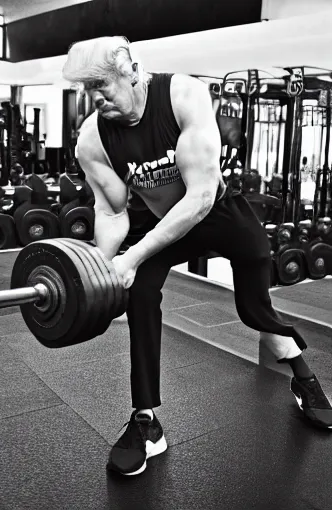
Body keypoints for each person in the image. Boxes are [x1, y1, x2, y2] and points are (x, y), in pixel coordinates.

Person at [62, 36, 332, 477]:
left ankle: (304, 377)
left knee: (253, 309)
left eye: (100, 85)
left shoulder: (183, 96)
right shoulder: (93, 140)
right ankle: (146, 420)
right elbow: (111, 211)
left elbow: (201, 197)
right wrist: (100, 274)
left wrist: (131, 259)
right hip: (164, 222)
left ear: (131, 69)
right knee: (141, 294)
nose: (93, 99)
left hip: (218, 211)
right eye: (85, 90)